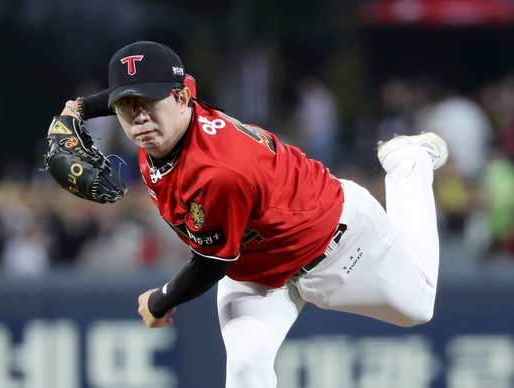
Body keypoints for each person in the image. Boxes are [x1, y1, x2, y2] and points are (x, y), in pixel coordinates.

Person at [60, 40, 448, 388]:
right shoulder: (173, 114)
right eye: (127, 105)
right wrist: (77, 109)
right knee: (247, 368)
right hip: (255, 268)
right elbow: (130, 90)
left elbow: (209, 264)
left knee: (418, 307)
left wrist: (160, 300)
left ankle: (407, 163)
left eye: (148, 102)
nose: (139, 116)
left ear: (181, 100)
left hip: (336, 241)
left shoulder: (219, 172)